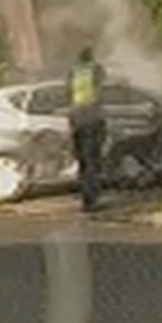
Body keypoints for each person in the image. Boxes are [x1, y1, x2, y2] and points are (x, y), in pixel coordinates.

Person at [67, 44, 107, 212]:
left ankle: (85, 200)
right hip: (92, 117)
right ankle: (92, 201)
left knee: (83, 161)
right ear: (92, 56)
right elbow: (103, 88)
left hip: (76, 118)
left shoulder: (73, 71)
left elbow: (68, 93)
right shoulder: (95, 69)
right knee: (93, 162)